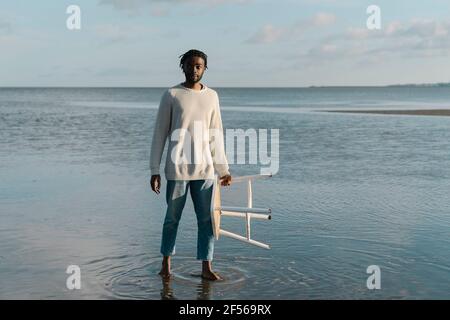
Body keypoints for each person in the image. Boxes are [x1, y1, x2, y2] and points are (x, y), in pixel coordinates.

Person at [150, 49, 232, 281]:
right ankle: (165, 265)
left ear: (205, 69)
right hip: (178, 170)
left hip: (205, 171)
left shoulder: (212, 96)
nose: (194, 69)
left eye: (199, 66)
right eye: (190, 65)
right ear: (182, 66)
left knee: (206, 220)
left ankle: (206, 267)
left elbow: (216, 134)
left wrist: (223, 169)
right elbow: (159, 134)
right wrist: (154, 170)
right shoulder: (172, 95)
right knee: (171, 219)